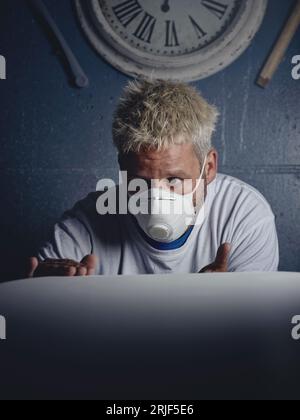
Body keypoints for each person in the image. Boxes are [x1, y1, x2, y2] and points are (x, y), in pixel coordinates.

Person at [28, 79, 279, 277]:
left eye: (174, 180)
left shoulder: (243, 214)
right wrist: (43, 294)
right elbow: (35, 312)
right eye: (140, 182)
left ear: (209, 167)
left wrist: (223, 304)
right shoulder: (86, 223)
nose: (157, 202)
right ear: (122, 169)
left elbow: (252, 330)